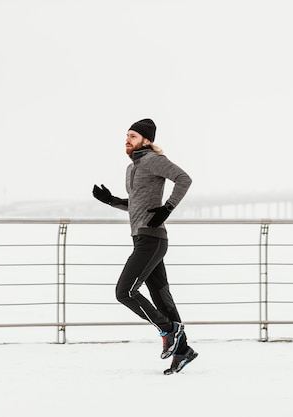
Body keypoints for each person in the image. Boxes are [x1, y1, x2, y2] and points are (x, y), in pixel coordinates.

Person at [92, 118, 198, 374]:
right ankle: (183, 350)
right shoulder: (133, 168)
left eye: (133, 136)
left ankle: (168, 329)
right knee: (162, 298)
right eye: (126, 135)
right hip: (143, 238)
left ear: (146, 140)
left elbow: (184, 179)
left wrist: (167, 208)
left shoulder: (153, 160)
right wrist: (112, 201)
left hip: (152, 238)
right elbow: (137, 204)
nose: (127, 140)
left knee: (124, 291)